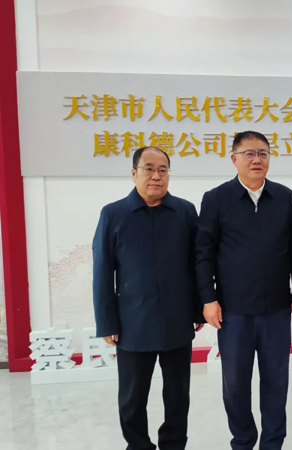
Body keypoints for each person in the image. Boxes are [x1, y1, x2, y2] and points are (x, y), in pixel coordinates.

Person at [196, 131, 292, 450]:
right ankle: (243, 441)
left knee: (276, 383)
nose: (257, 159)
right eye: (249, 153)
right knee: (235, 385)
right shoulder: (216, 198)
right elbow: (203, 253)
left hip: (276, 309)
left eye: (263, 153)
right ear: (234, 159)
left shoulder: (284, 197)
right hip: (232, 311)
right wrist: (208, 299)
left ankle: (273, 443)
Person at [92, 146, 203, 450]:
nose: (156, 176)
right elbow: (103, 272)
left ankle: (173, 445)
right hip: (133, 323)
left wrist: (198, 310)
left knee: (178, 395)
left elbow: (197, 264)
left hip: (177, 320)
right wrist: (106, 322)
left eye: (163, 170)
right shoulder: (113, 214)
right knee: (132, 397)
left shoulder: (184, 212)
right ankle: (138, 445)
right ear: (134, 173)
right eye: (149, 169)